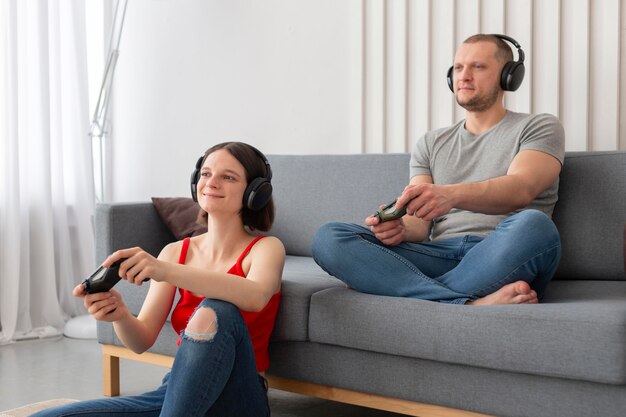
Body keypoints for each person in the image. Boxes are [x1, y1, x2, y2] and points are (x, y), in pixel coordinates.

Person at [33, 141, 285, 417]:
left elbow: (256, 295)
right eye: (205, 174)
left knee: (217, 310)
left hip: (238, 398)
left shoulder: (266, 248)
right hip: (177, 390)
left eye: (228, 177)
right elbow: (141, 341)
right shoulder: (175, 252)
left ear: (254, 193)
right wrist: (119, 315)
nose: (211, 183)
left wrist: (164, 270)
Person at [312, 34, 565, 306]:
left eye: (477, 67)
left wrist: (451, 195)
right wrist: (399, 229)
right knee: (330, 238)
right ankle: (469, 303)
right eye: (458, 68)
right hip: (437, 255)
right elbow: (419, 225)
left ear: (508, 76)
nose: (463, 76)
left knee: (535, 225)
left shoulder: (540, 127)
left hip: (501, 253)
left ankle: (405, 289)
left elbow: (521, 189)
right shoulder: (431, 143)